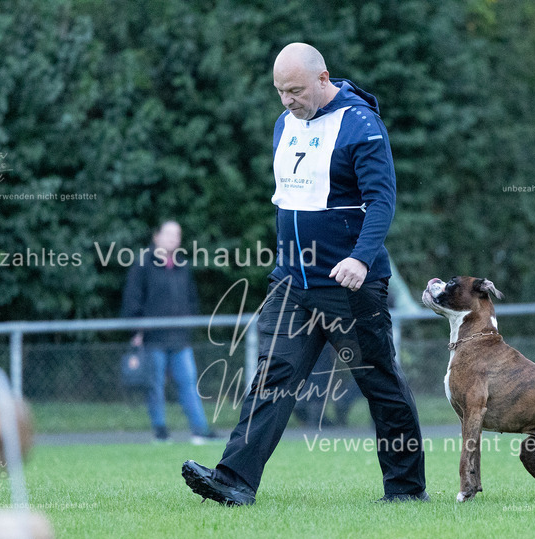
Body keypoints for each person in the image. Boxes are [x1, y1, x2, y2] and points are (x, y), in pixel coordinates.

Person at [182, 42, 426, 505]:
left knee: (379, 383)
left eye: (295, 90)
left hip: (349, 285)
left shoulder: (361, 125)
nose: (287, 100)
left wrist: (359, 256)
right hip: (293, 282)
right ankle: (234, 481)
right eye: (279, 92)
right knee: (272, 376)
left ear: (322, 78)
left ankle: (407, 490)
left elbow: (381, 200)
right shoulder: (284, 125)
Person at [122, 220, 217, 445]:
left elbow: (191, 299)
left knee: (189, 383)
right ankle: (161, 432)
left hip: (180, 339)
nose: (174, 238)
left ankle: (200, 430)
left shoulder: (182, 266)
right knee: (154, 386)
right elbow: (132, 300)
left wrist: (189, 322)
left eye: (177, 235)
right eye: (169, 234)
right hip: (153, 339)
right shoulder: (143, 265)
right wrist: (137, 329)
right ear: (156, 236)